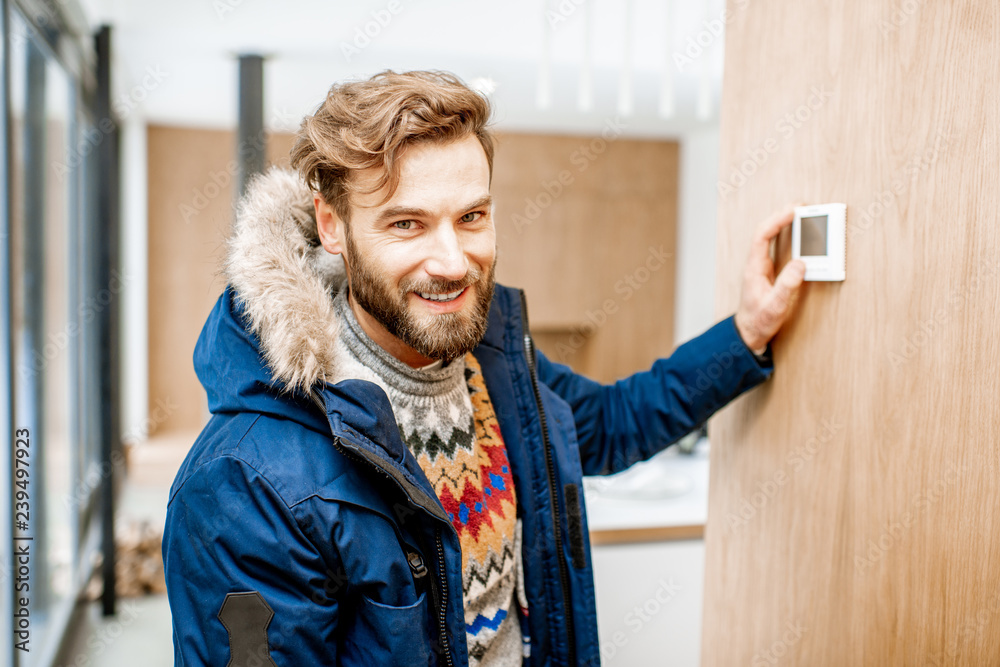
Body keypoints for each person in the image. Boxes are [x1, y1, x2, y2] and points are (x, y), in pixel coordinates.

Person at [163, 70, 806, 666]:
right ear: (333, 226)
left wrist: (745, 332)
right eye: (407, 224)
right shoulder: (242, 483)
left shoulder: (494, 357)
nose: (452, 262)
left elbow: (609, 425)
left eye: (471, 217)